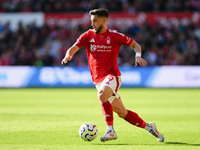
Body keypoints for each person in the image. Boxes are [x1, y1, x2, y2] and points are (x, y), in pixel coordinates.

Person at [61, 8, 164, 142]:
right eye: (92, 21)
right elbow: (73, 48)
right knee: (122, 112)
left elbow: (136, 45)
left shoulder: (115, 36)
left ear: (104, 20)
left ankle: (111, 131)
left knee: (102, 95)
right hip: (98, 81)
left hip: (112, 76)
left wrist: (138, 56)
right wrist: (68, 55)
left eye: (95, 21)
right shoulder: (87, 35)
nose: (92, 24)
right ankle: (149, 127)